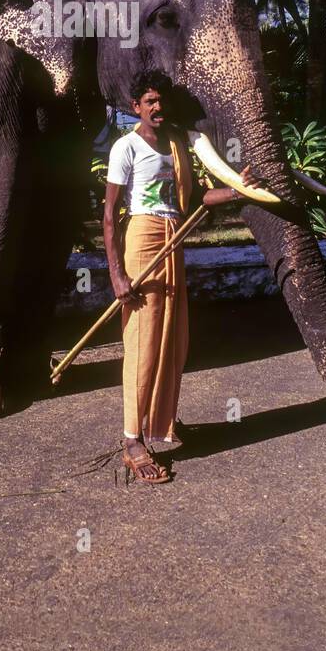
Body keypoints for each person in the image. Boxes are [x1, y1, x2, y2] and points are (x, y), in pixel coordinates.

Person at [103, 71, 255, 484]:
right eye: (149, 101)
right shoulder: (125, 147)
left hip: (174, 239)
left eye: (161, 100)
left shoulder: (177, 144)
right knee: (142, 339)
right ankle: (133, 439)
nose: (157, 107)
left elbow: (198, 200)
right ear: (135, 106)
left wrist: (240, 190)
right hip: (143, 240)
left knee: (172, 337)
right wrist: (117, 275)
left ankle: (160, 422)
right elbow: (109, 217)